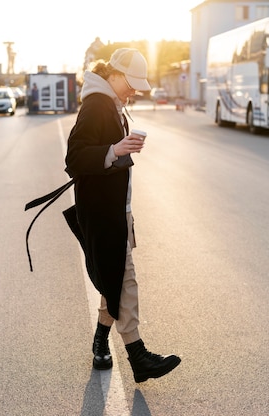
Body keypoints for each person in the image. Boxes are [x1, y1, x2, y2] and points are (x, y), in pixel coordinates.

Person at [64, 48, 181, 383]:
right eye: (131, 83)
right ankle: (138, 354)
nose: (135, 90)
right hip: (103, 212)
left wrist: (121, 148)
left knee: (114, 277)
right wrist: (114, 150)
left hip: (116, 209)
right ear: (113, 75)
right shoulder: (97, 104)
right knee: (124, 279)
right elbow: (75, 157)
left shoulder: (110, 102)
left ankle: (101, 341)